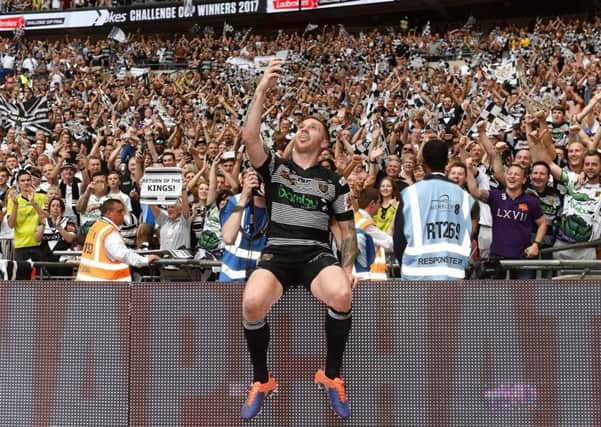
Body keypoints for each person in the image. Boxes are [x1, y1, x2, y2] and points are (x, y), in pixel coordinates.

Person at [239, 58, 357, 420]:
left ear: (323, 141)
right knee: (251, 303)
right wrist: (261, 89)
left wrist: (348, 265)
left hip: (316, 256)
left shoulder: (333, 182)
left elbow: (348, 231)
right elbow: (249, 137)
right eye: (300, 126)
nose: (303, 129)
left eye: (312, 127)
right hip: (277, 253)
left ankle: (331, 375)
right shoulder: (276, 168)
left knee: (341, 294)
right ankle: (262, 380)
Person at [393, 139, 478, 280]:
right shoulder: (464, 196)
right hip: (453, 275)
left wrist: (406, 264)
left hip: (416, 275)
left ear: (423, 162)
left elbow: (399, 239)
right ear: (446, 162)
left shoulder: (410, 194)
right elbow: (468, 236)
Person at [76, 199, 159, 281]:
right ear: (109, 214)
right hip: (104, 283)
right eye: (119, 211)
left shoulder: (96, 227)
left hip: (88, 281)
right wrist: (145, 260)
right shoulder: (109, 232)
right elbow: (122, 254)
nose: (123, 214)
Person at [219, 169, 268, 282]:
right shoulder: (235, 201)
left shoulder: (276, 207)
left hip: (261, 282)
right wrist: (244, 196)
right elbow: (228, 238)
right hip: (231, 279)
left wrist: (270, 199)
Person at [354, 187, 393, 280]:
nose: (380, 206)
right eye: (379, 202)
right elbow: (390, 243)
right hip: (368, 276)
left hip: (359, 274)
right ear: (372, 204)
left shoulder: (356, 218)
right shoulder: (365, 225)